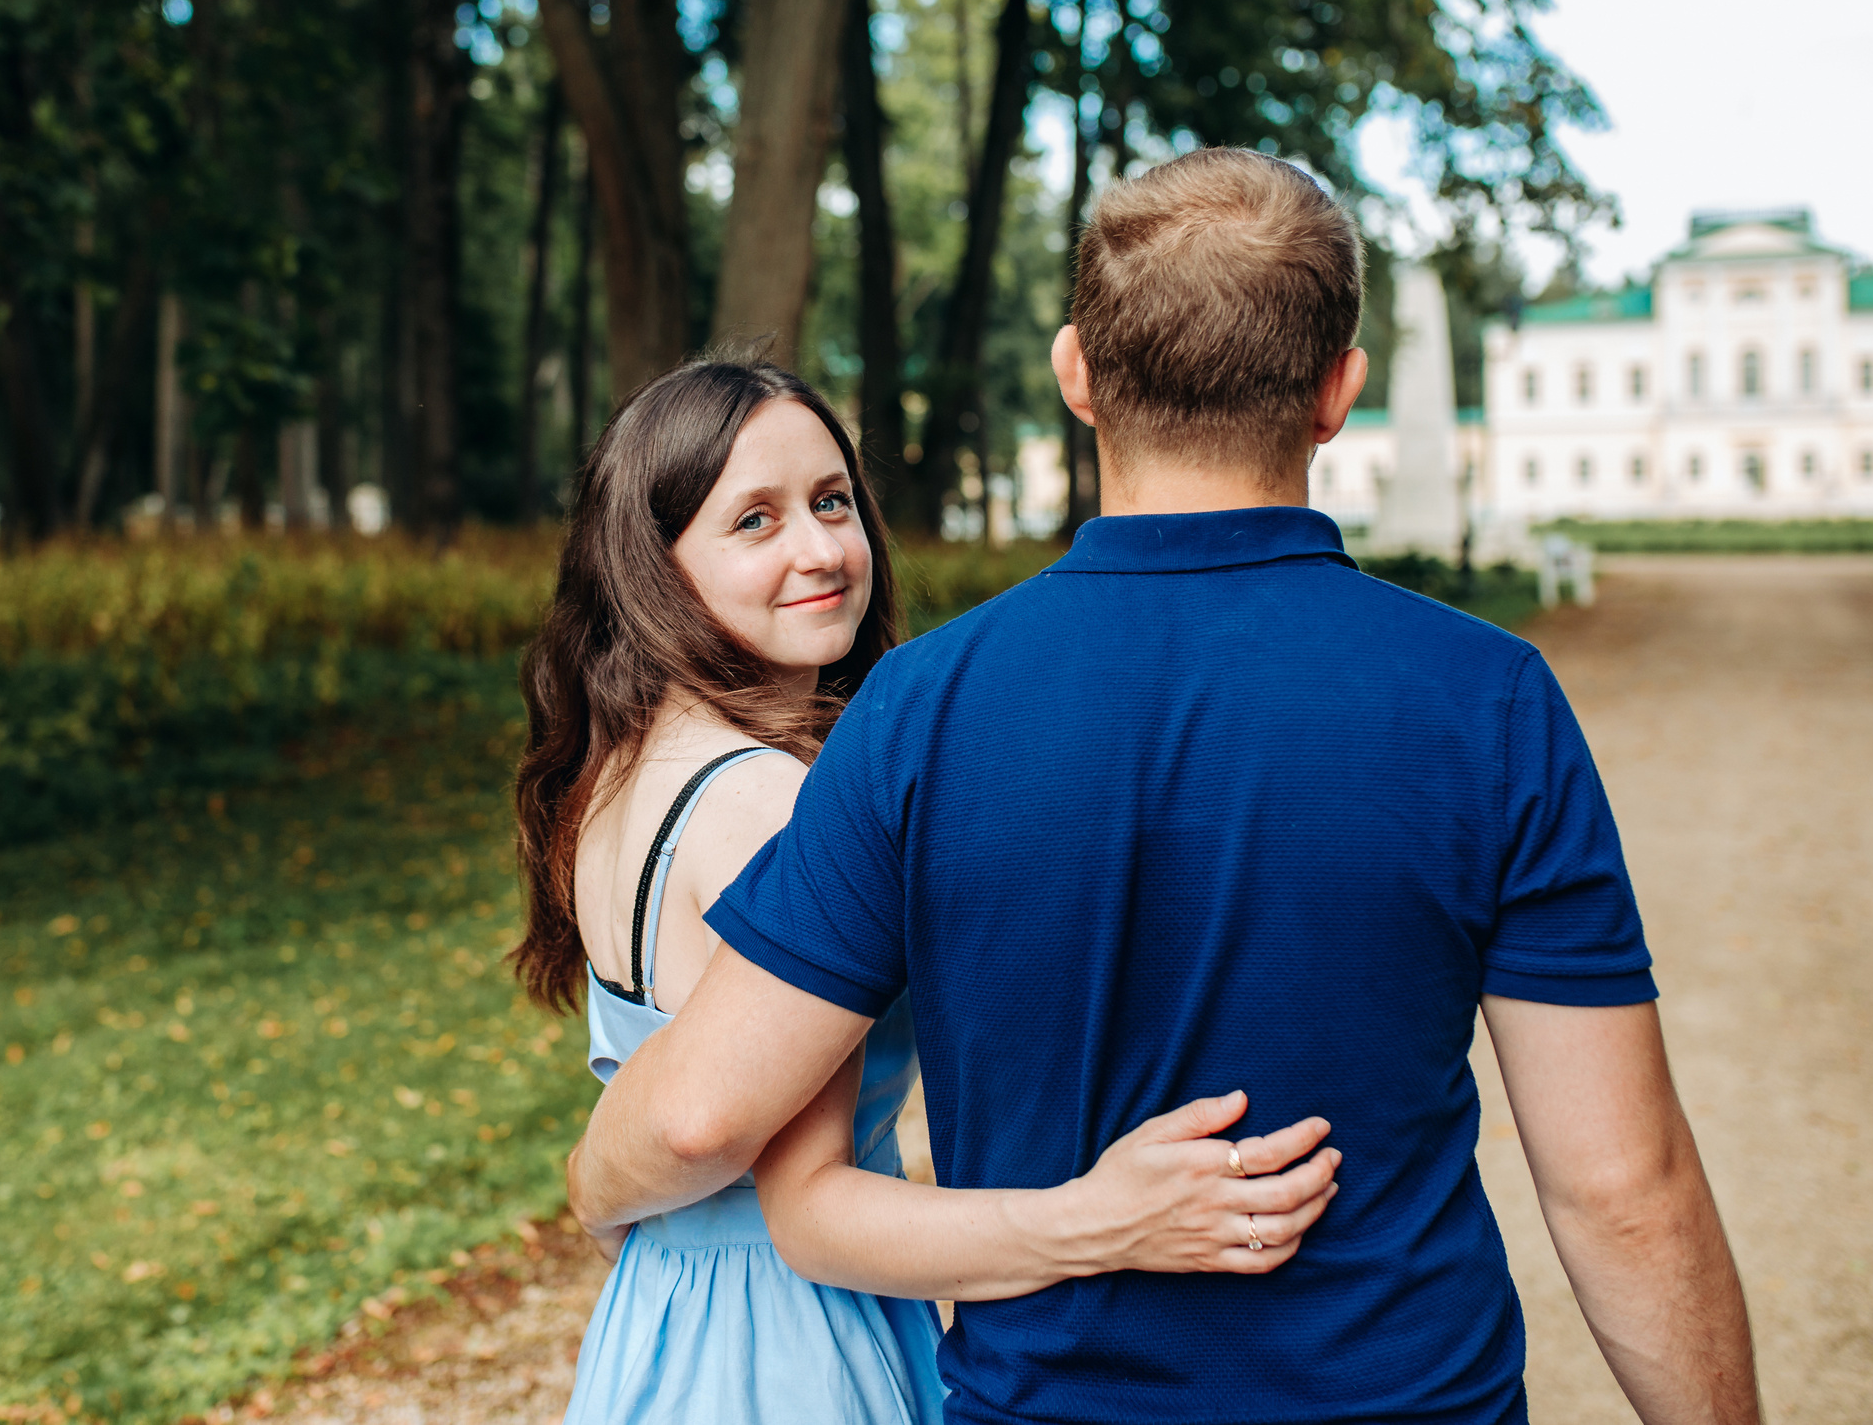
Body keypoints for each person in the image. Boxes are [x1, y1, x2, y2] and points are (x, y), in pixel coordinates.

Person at [571, 149, 1763, 1425]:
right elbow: (1618, 1188)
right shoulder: (1487, 699)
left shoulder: (919, 711)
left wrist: (593, 1182)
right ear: (1337, 390)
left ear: (1076, 374)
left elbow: (709, 1119)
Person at [515, 357, 1345, 1425]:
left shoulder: (624, 768)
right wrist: (1102, 1217)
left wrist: (597, 1187)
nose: (819, 550)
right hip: (786, 1334)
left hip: (665, 1308)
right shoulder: (767, 800)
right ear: (652, 565)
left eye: (830, 502)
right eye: (753, 522)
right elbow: (721, 1142)